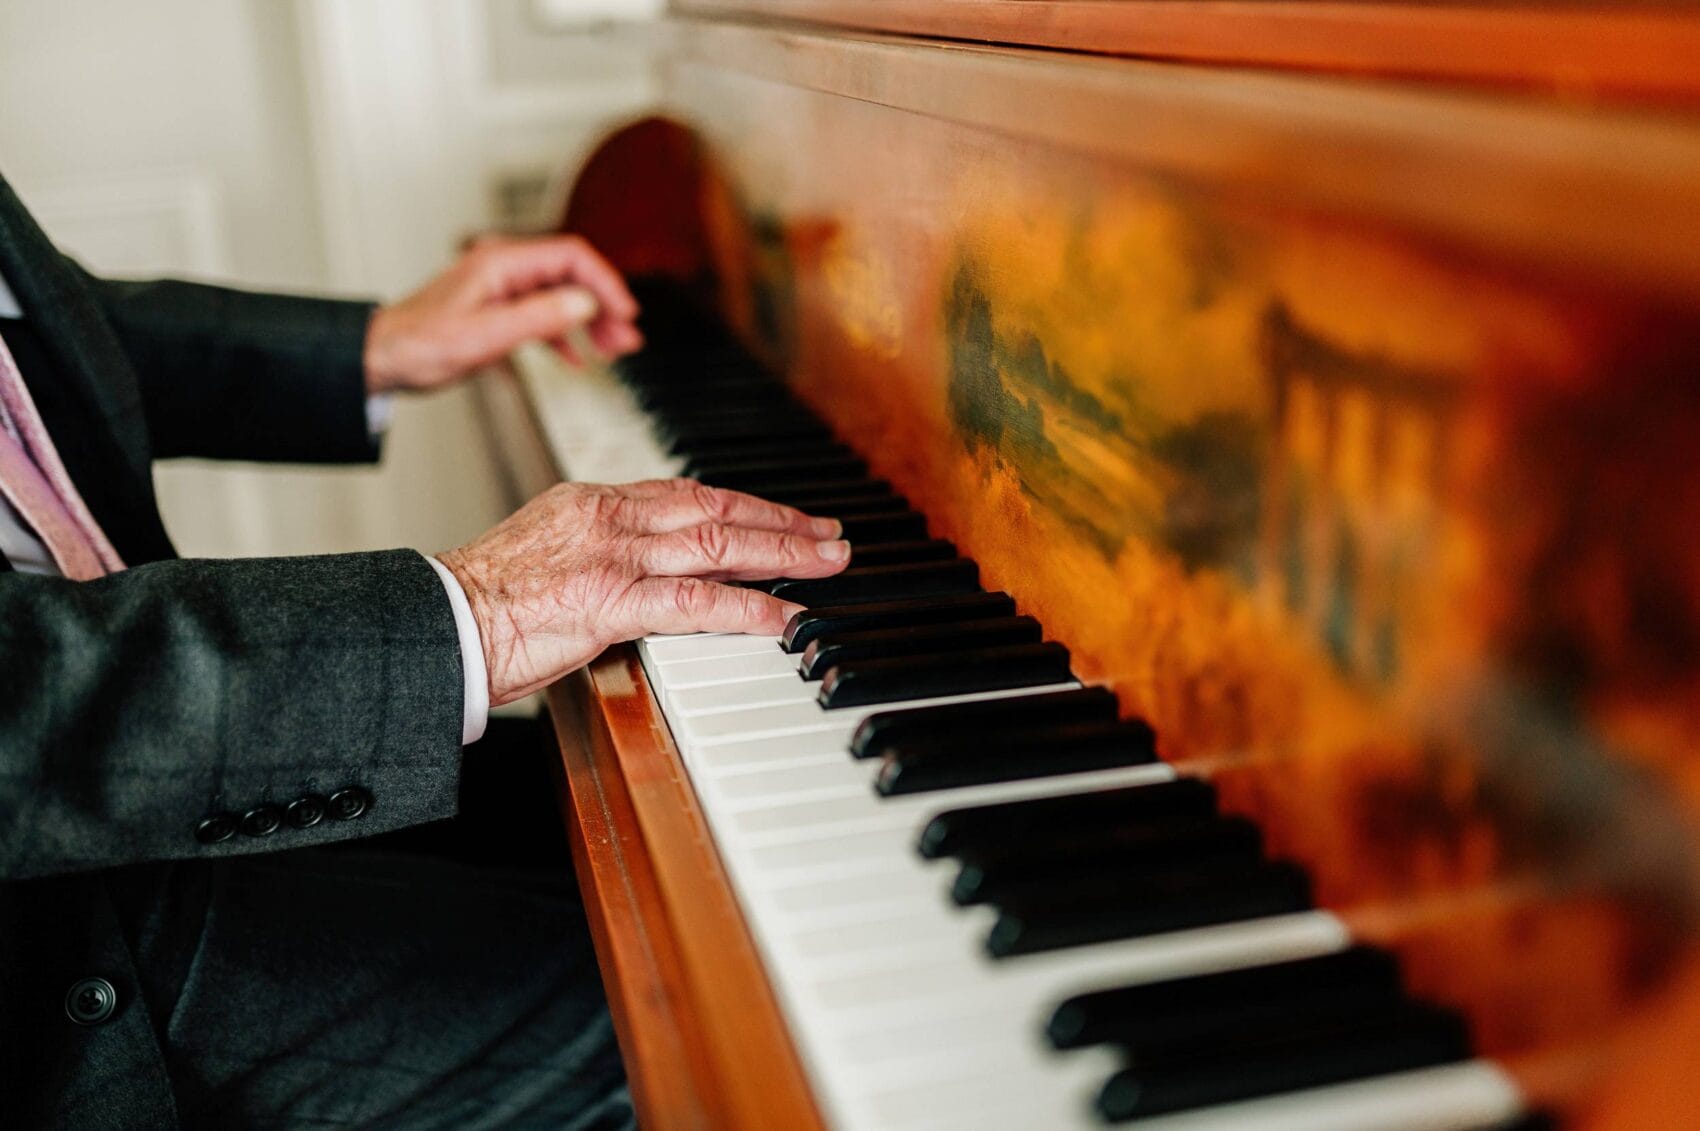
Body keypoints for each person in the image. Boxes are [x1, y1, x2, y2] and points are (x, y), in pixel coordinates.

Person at [0, 169, 849, 1128]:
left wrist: (371, 347)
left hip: (153, 774)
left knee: (711, 822)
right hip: (44, 959)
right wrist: (479, 611)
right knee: (764, 1028)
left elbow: (33, 328)